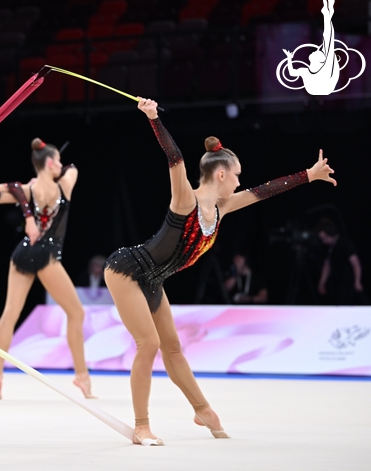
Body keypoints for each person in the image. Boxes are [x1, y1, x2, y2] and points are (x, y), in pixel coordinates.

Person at [104, 98, 336, 446]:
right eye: (237, 175)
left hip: (153, 278)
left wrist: (308, 175)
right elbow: (175, 158)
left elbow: (263, 192)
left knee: (174, 348)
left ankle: (203, 411)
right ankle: (141, 426)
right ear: (222, 173)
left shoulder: (223, 206)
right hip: (127, 270)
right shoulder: (186, 200)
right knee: (149, 343)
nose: (240, 181)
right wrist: (154, 119)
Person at [0, 138, 94, 400]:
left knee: (10, 313)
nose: (61, 165)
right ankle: (82, 376)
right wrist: (55, 165)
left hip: (23, 252)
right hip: (47, 254)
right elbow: (72, 167)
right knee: (76, 313)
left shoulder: (27, 190)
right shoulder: (65, 185)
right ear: (50, 164)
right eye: (56, 162)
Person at [316, 218, 364, 305]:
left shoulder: (345, 243)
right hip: (335, 284)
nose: (324, 241)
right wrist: (322, 283)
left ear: (330, 233)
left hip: (347, 283)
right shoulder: (328, 248)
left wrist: (357, 281)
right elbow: (327, 266)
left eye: (325, 237)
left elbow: (356, 264)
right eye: (322, 239)